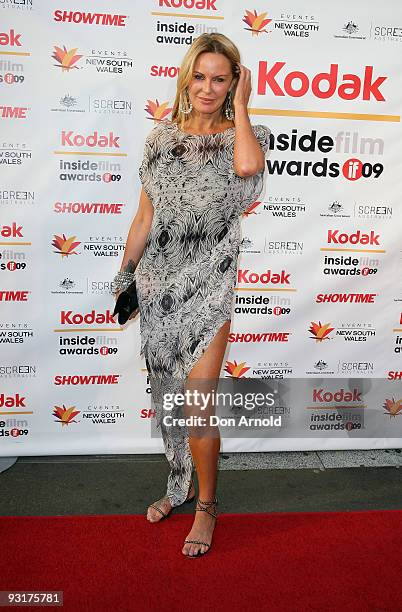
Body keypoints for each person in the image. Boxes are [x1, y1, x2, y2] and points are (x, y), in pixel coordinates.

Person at [111, 32, 270, 557]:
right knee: (169, 400)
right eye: (199, 76)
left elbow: (247, 169)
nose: (207, 87)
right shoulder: (160, 139)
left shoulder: (246, 135)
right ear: (186, 77)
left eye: (220, 78)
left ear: (234, 83)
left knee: (198, 405)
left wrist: (242, 107)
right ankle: (177, 482)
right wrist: (125, 275)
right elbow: (144, 216)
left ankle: (206, 506)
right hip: (158, 286)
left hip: (210, 284)